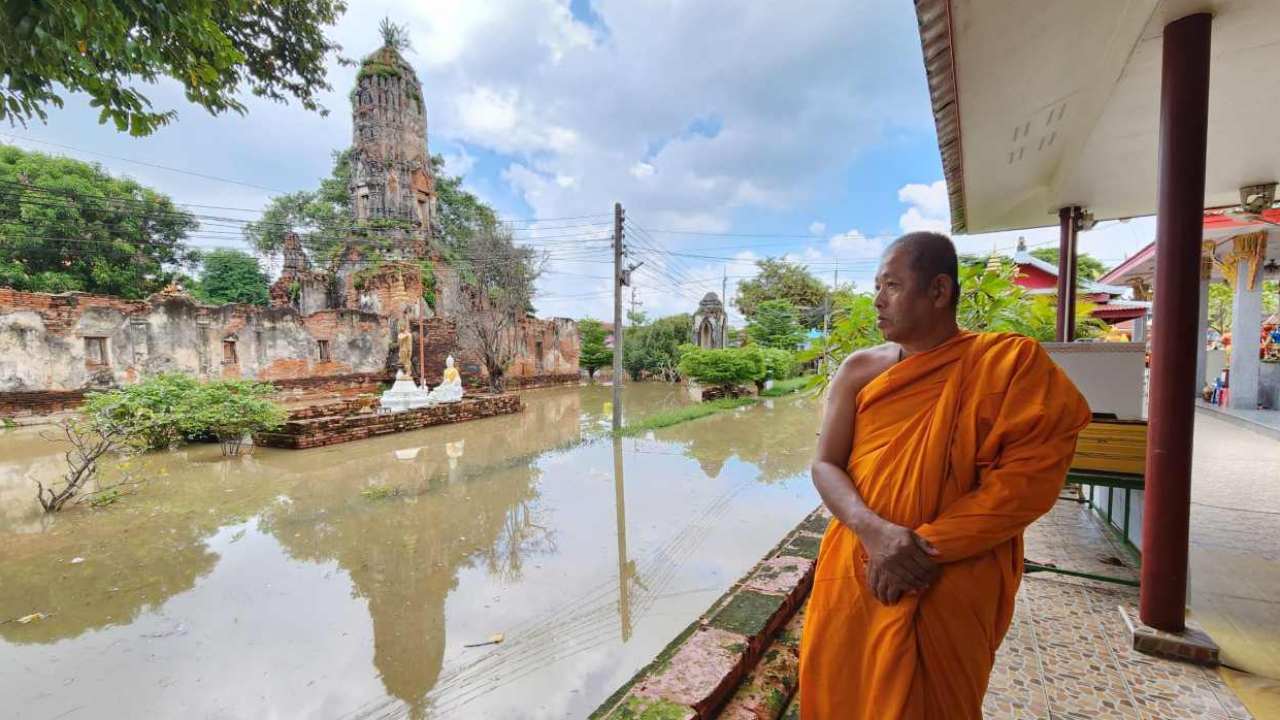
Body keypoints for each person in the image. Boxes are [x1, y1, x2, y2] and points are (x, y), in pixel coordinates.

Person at [798, 232, 1091, 720]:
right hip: (859, 565)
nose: (876, 300)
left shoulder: (1009, 365)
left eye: (891, 285)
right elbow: (825, 463)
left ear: (938, 291)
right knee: (844, 694)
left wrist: (917, 549)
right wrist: (876, 533)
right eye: (876, 286)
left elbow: (1025, 488)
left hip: (949, 576)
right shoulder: (859, 370)